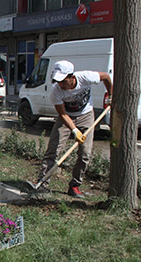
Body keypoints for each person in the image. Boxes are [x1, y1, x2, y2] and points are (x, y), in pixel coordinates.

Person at [35, 60, 112, 198]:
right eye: (58, 81)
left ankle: (75, 185)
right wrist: (74, 130)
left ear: (71, 77)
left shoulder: (86, 77)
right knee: (53, 151)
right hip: (66, 118)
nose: (61, 85)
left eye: (63, 81)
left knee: (85, 154)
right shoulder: (55, 91)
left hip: (86, 115)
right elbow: (63, 114)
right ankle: (42, 184)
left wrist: (111, 94)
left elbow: (105, 76)